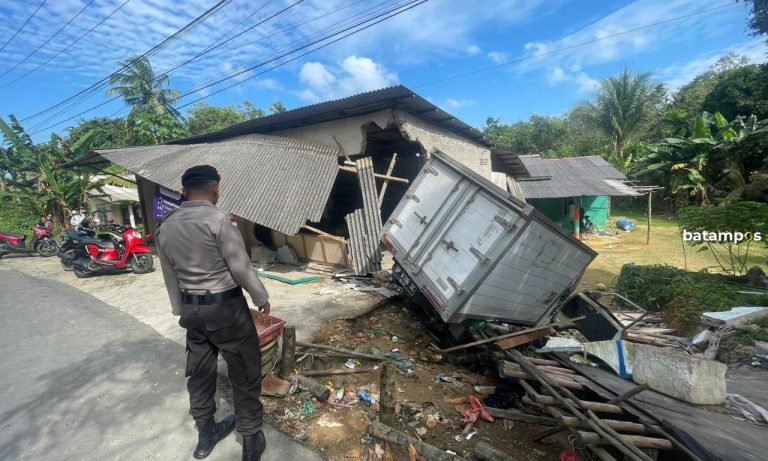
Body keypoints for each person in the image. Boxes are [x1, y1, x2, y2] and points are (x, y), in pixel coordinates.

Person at [155, 165, 270, 461]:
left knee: (200, 374)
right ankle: (251, 440)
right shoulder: (218, 220)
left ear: (183, 192)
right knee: (244, 371)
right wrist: (260, 297)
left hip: (192, 312)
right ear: (215, 189)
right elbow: (240, 265)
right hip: (226, 310)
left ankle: (206, 437)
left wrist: (178, 308)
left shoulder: (165, 225)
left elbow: (169, 275)